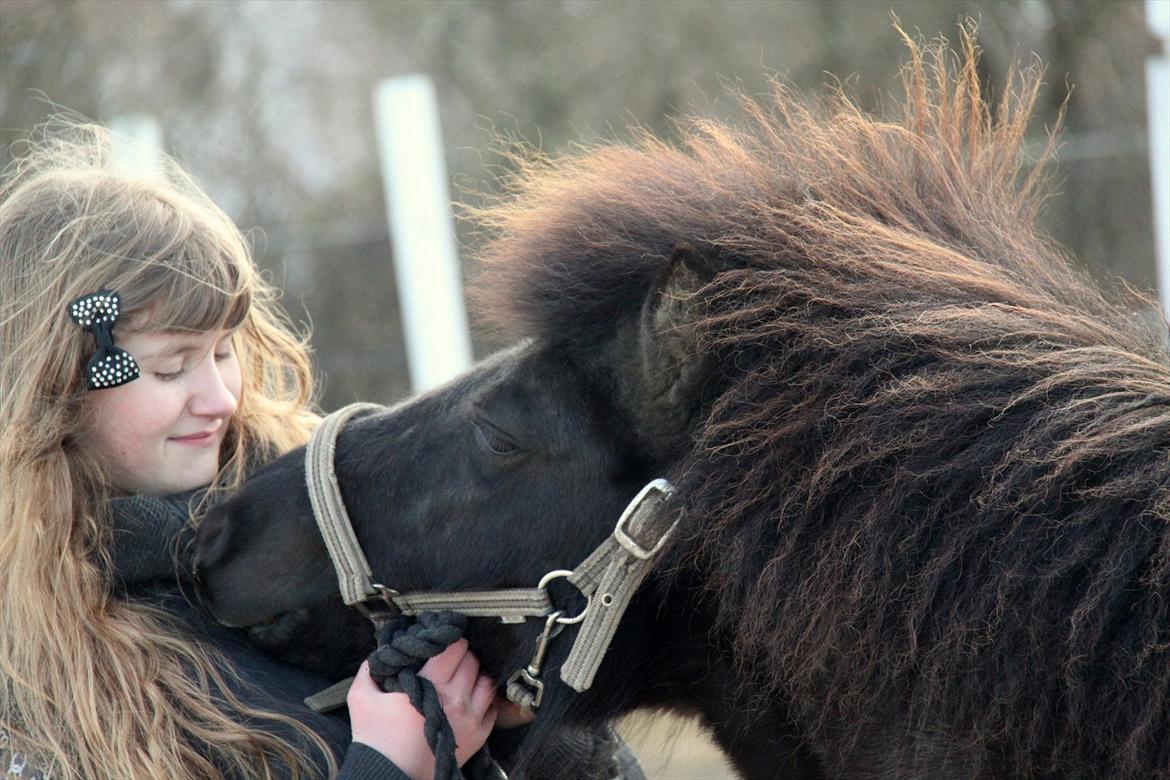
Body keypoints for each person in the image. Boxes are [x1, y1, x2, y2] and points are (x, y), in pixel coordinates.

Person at [0, 120, 498, 780]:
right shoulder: (27, 677)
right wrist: (388, 766)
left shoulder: (336, 524)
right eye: (172, 367)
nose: (220, 398)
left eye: (225, 352)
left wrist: (506, 714)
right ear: (56, 388)